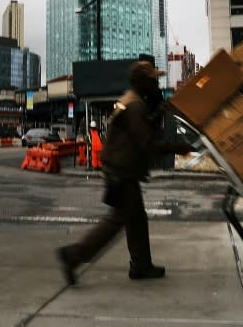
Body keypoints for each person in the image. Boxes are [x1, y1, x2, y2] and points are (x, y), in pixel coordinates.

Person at [56, 60, 194, 284]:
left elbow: (140, 131)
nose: (156, 84)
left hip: (120, 169)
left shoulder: (132, 100)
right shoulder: (135, 106)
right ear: (142, 82)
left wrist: (157, 112)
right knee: (118, 219)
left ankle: (141, 265)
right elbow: (146, 142)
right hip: (122, 172)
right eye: (153, 80)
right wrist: (179, 147)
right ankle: (74, 255)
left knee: (136, 220)